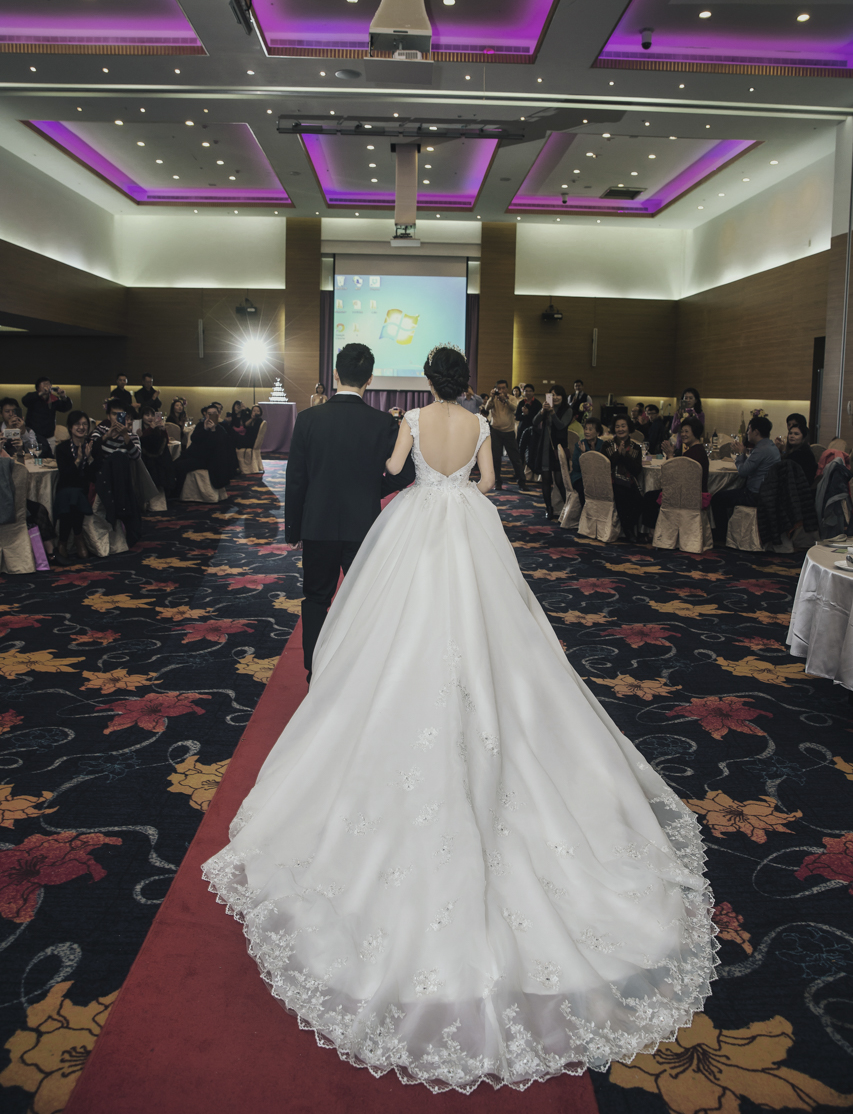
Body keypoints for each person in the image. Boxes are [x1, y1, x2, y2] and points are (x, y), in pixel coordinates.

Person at [202, 342, 716, 1094]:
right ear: (464, 383)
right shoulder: (479, 423)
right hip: (469, 528)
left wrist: (414, 473)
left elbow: (391, 473)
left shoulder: (410, 421)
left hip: (416, 527)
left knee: (400, 627)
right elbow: (490, 484)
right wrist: (457, 478)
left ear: (426, 382)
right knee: (491, 630)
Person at [283, 342, 416, 676]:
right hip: (364, 526)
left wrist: (293, 529)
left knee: (316, 599)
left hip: (317, 525)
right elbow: (406, 473)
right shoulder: (382, 422)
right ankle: (356, 673)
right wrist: (374, 490)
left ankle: (315, 672)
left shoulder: (308, 419)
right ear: (370, 379)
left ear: (335, 374)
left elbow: (296, 480)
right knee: (362, 601)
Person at [711, 414, 780, 543]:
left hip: (756, 494)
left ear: (756, 432)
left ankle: (720, 536)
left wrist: (740, 454)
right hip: (768, 492)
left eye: (749, 429)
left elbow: (743, 472)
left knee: (717, 498)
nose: (747, 433)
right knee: (729, 493)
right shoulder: (770, 446)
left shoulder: (761, 450)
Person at [645, 416, 709, 531]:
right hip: (695, 496)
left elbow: (674, 477)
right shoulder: (698, 450)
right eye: (682, 431)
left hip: (683, 497)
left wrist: (670, 456)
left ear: (695, 432)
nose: (683, 434)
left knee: (649, 497)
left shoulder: (692, 454)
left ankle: (654, 533)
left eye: (686, 431)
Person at [53, 411, 95, 561]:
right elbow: (65, 475)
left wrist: (89, 459)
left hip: (85, 487)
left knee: (73, 496)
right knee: (71, 495)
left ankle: (62, 541)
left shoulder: (92, 445)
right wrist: (77, 460)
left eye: (84, 424)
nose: (81, 427)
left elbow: (94, 475)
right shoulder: (62, 448)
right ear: (70, 427)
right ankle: (78, 538)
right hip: (67, 486)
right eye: (77, 424)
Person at [528, 384, 571, 519]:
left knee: (560, 481)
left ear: (563, 397)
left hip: (558, 449)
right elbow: (534, 421)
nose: (555, 397)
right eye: (552, 395)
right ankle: (549, 508)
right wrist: (542, 411)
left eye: (558, 395)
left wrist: (552, 413)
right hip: (545, 448)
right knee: (546, 480)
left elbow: (561, 426)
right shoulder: (546, 409)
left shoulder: (567, 410)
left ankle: (569, 508)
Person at [604, 415, 644, 541]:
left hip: (630, 481)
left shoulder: (636, 447)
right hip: (611, 481)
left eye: (623, 426)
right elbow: (605, 465)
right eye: (617, 426)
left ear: (629, 427)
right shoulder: (607, 445)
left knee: (640, 500)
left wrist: (625, 456)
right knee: (621, 494)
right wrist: (618, 454)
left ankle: (630, 527)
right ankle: (628, 530)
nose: (620, 429)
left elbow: (637, 470)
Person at [484, 379, 528, 491]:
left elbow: (515, 409)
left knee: (515, 458)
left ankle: (522, 482)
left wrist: (506, 400)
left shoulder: (512, 398)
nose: (501, 390)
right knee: (496, 458)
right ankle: (497, 482)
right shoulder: (493, 398)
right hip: (496, 432)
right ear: (495, 389)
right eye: (499, 388)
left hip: (509, 432)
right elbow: (486, 408)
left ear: (507, 389)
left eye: (503, 388)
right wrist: (491, 397)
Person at [21, 377, 72, 446]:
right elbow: (25, 401)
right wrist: (41, 393)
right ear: (38, 387)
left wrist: (63, 396)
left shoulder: (54, 399)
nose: (47, 386)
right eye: (44, 384)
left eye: (48, 384)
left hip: (49, 436)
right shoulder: (32, 396)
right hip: (33, 436)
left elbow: (65, 408)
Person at [139, 406, 176, 495]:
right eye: (147, 415)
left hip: (158, 454)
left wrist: (163, 429)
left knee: (165, 454)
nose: (150, 418)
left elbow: (165, 441)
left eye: (152, 415)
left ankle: (166, 488)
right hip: (144, 454)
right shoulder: (139, 427)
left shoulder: (156, 428)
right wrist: (150, 428)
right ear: (142, 416)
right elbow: (140, 439)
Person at [570, 415, 605, 507]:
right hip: (580, 476)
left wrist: (593, 453)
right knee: (584, 488)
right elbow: (576, 467)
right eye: (585, 429)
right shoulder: (579, 445)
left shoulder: (603, 445)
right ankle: (585, 511)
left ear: (597, 432)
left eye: (590, 429)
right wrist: (583, 454)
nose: (586, 432)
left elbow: (602, 465)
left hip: (597, 477)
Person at [777, 416, 817, 486]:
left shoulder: (802, 453)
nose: (792, 436)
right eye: (790, 433)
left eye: (796, 434)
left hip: (798, 487)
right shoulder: (792, 450)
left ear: (803, 438)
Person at [515, 384, 541, 467]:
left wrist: (528, 413)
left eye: (530, 391)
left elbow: (538, 418)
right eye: (526, 391)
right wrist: (523, 414)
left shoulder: (537, 404)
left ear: (533, 392)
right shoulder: (521, 403)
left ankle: (530, 470)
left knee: (532, 450)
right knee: (520, 450)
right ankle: (520, 470)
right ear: (523, 392)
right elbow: (517, 417)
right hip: (522, 429)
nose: (528, 393)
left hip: (533, 430)